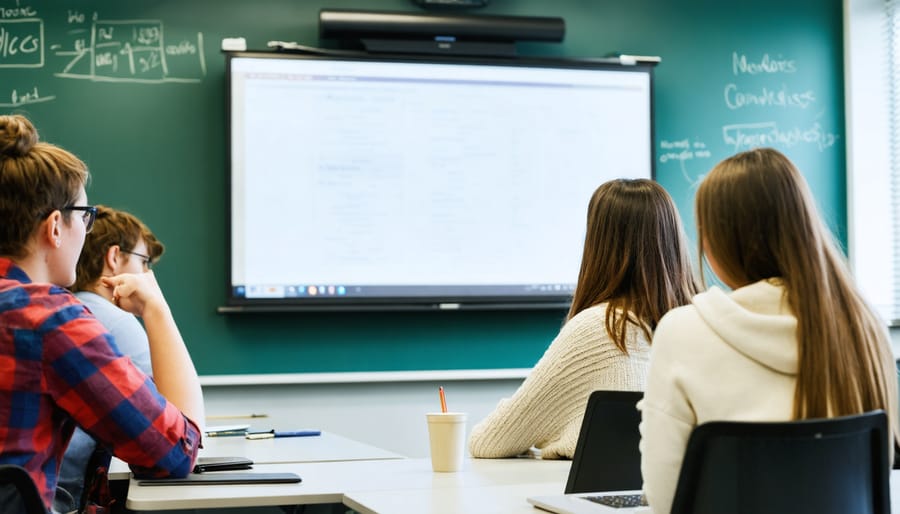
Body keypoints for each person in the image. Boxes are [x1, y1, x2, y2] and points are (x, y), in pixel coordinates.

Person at [639, 147, 900, 514]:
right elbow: (878, 470)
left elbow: (666, 498)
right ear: (805, 227)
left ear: (714, 244)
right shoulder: (863, 328)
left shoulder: (682, 331)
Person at [0, 114, 205, 512]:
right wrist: (157, 309)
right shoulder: (47, 319)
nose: (87, 231)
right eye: (85, 216)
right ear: (55, 227)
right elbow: (175, 453)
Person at [468, 178, 699, 459]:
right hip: (673, 501)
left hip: (592, 501)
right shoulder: (697, 327)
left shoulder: (601, 327)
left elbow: (489, 441)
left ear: (599, 246)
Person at [56, 206, 167, 509]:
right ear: (114, 257)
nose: (148, 275)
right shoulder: (111, 319)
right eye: (144, 262)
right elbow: (174, 425)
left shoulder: (70, 307)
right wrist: (157, 309)